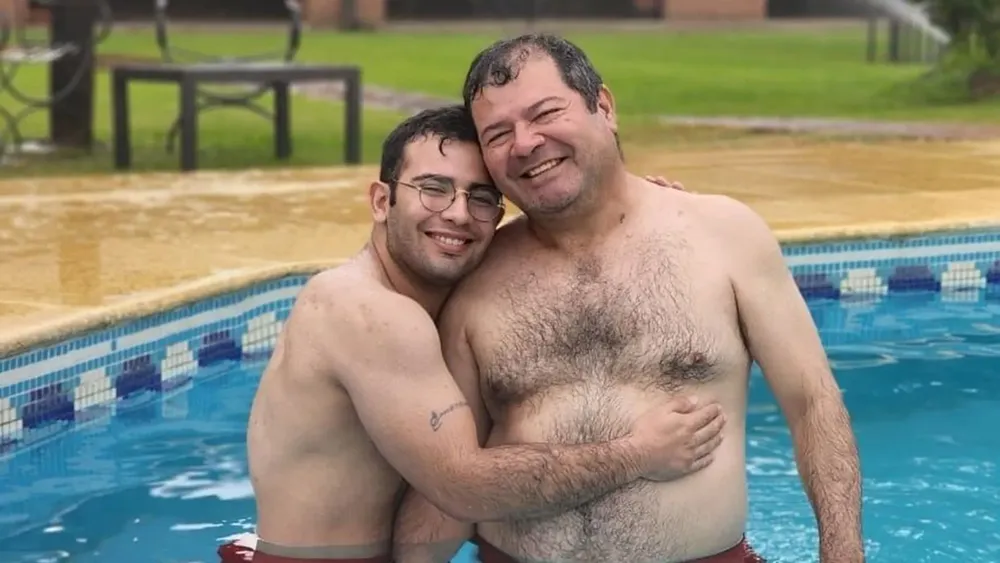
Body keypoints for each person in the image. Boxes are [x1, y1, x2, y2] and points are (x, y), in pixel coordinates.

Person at [392, 34, 864, 563]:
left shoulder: (724, 236)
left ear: (604, 106)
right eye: (498, 134)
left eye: (546, 113)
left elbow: (812, 404)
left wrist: (843, 555)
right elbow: (449, 479)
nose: (524, 144)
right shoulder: (475, 279)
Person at [217, 105, 726, 563]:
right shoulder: (364, 311)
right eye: (433, 189)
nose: (458, 214)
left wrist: (634, 215)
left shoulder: (436, 296)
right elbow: (464, 489)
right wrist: (639, 453)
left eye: (481, 198)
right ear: (381, 201)